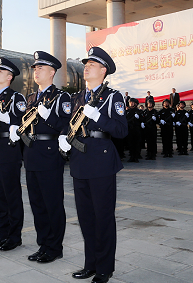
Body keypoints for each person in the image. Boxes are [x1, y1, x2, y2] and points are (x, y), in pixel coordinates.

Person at [58, 47, 128, 283]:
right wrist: (64, 138)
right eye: (85, 63)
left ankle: (105, 268)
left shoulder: (112, 97)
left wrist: (99, 117)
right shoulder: (77, 97)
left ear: (103, 70)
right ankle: (90, 264)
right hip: (79, 163)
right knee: (86, 218)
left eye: (92, 64)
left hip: (101, 163)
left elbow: (121, 130)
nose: (86, 66)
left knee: (103, 217)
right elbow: (70, 125)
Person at [21, 51, 71, 264]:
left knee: (52, 203)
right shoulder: (31, 98)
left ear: (51, 72)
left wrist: (49, 117)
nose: (36, 71)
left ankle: (54, 247)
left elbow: (67, 126)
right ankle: (43, 244)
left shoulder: (62, 97)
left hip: (50, 156)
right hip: (31, 154)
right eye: (35, 68)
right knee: (37, 204)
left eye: (40, 68)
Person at [0, 57, 27, 252]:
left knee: (11, 196)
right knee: (0, 197)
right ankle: (3, 235)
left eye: (0, 72)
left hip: (9, 150)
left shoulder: (16, 98)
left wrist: (8, 120)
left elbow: (21, 122)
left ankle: (14, 237)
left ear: (9, 77)